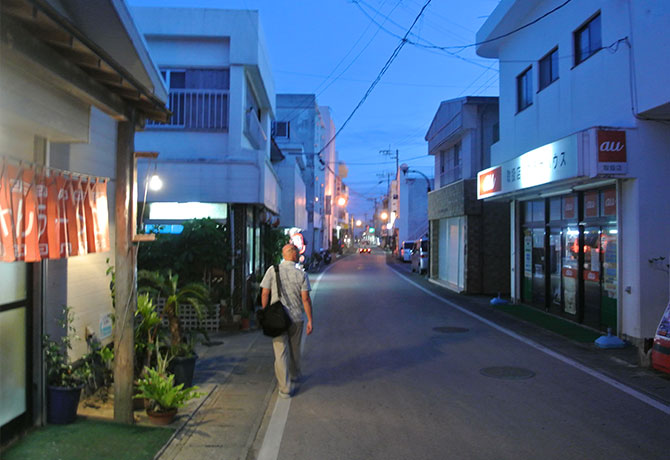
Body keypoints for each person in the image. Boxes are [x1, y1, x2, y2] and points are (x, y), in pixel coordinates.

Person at [260, 244, 314, 398]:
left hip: (277, 318)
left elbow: (265, 293)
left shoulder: (273, 270)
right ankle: (295, 375)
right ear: (294, 254)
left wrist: (265, 312)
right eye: (296, 252)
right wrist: (310, 320)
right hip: (296, 318)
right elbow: (306, 299)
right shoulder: (301, 274)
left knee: (280, 353)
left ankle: (285, 388)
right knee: (294, 349)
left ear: (284, 255)